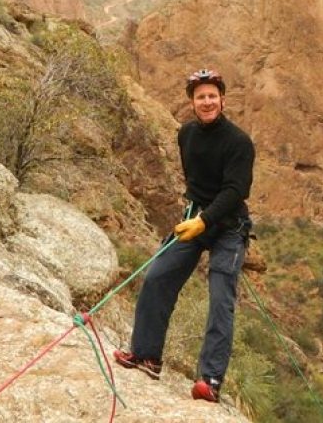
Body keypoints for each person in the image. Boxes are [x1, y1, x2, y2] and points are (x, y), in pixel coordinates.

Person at [113, 68, 255, 403]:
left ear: (222, 99)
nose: (207, 102)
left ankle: (210, 380)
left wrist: (205, 220)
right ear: (192, 101)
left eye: (212, 96)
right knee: (158, 276)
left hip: (228, 228)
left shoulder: (239, 143)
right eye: (200, 96)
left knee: (220, 300)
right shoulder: (186, 135)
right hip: (196, 221)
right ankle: (147, 355)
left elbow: (236, 190)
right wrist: (194, 216)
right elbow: (195, 181)